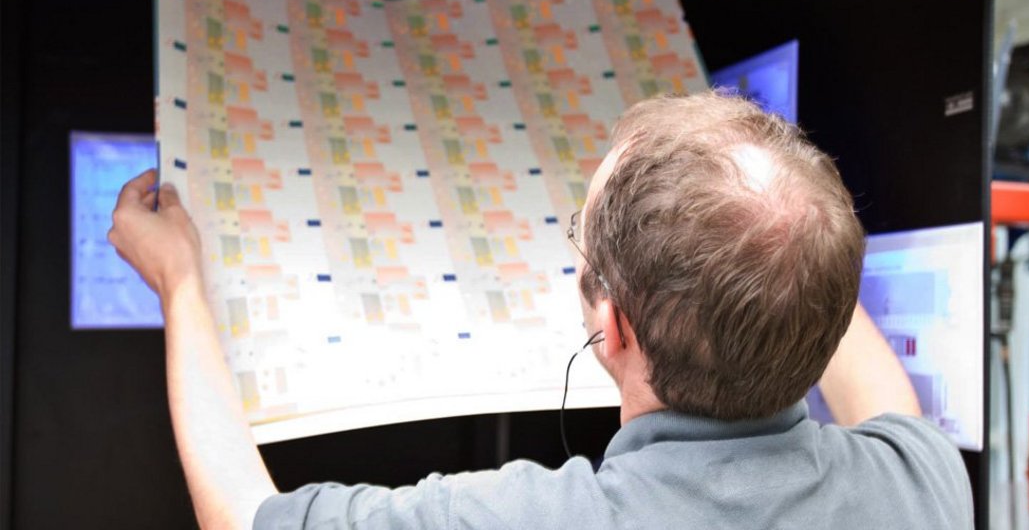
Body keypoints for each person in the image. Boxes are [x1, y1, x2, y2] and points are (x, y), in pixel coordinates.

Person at [109, 91, 972, 529]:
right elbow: (870, 374)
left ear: (616, 329)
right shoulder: (917, 488)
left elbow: (243, 518)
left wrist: (182, 285)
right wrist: (753, 209)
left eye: (579, 243)